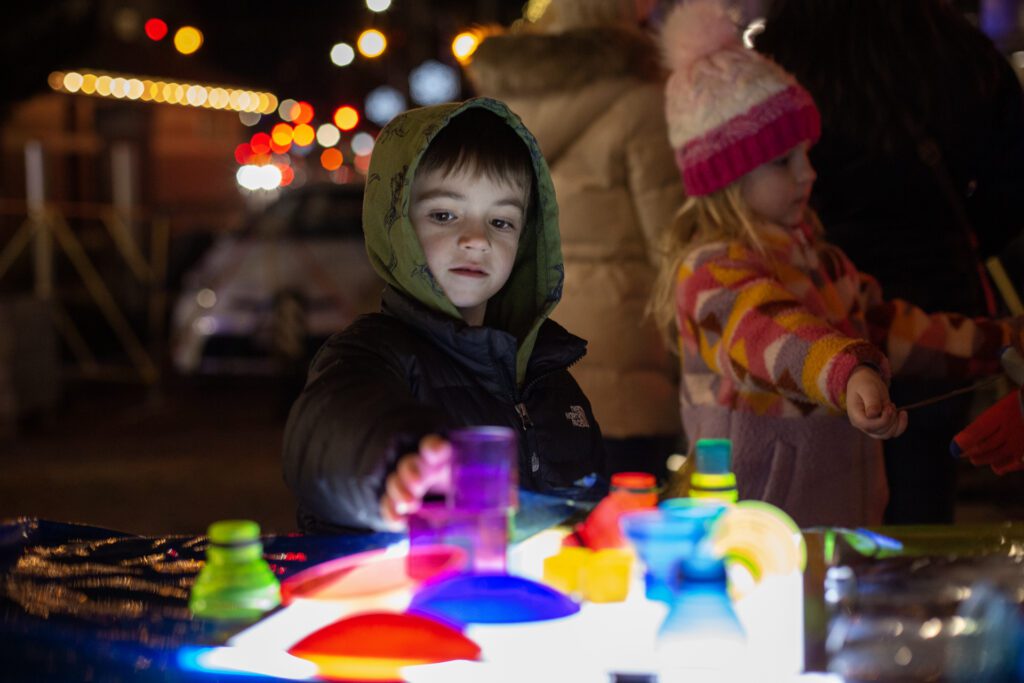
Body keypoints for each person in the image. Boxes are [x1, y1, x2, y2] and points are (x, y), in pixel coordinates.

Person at [649, 0, 1024, 528]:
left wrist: (999, 343)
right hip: (754, 527)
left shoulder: (818, 256)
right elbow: (769, 333)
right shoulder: (711, 270)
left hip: (843, 516)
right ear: (725, 178)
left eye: (807, 153)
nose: (808, 173)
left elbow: (890, 328)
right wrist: (846, 371)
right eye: (784, 161)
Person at [282, 98, 605, 533]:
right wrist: (400, 461)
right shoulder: (370, 353)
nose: (476, 240)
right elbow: (324, 432)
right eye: (445, 214)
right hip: (407, 595)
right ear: (396, 223)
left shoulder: (552, 378)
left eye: (502, 221)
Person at [465, 0, 684, 479]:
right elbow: (675, 248)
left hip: (527, 363)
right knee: (627, 534)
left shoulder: (504, 105)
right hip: (628, 369)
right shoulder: (643, 104)